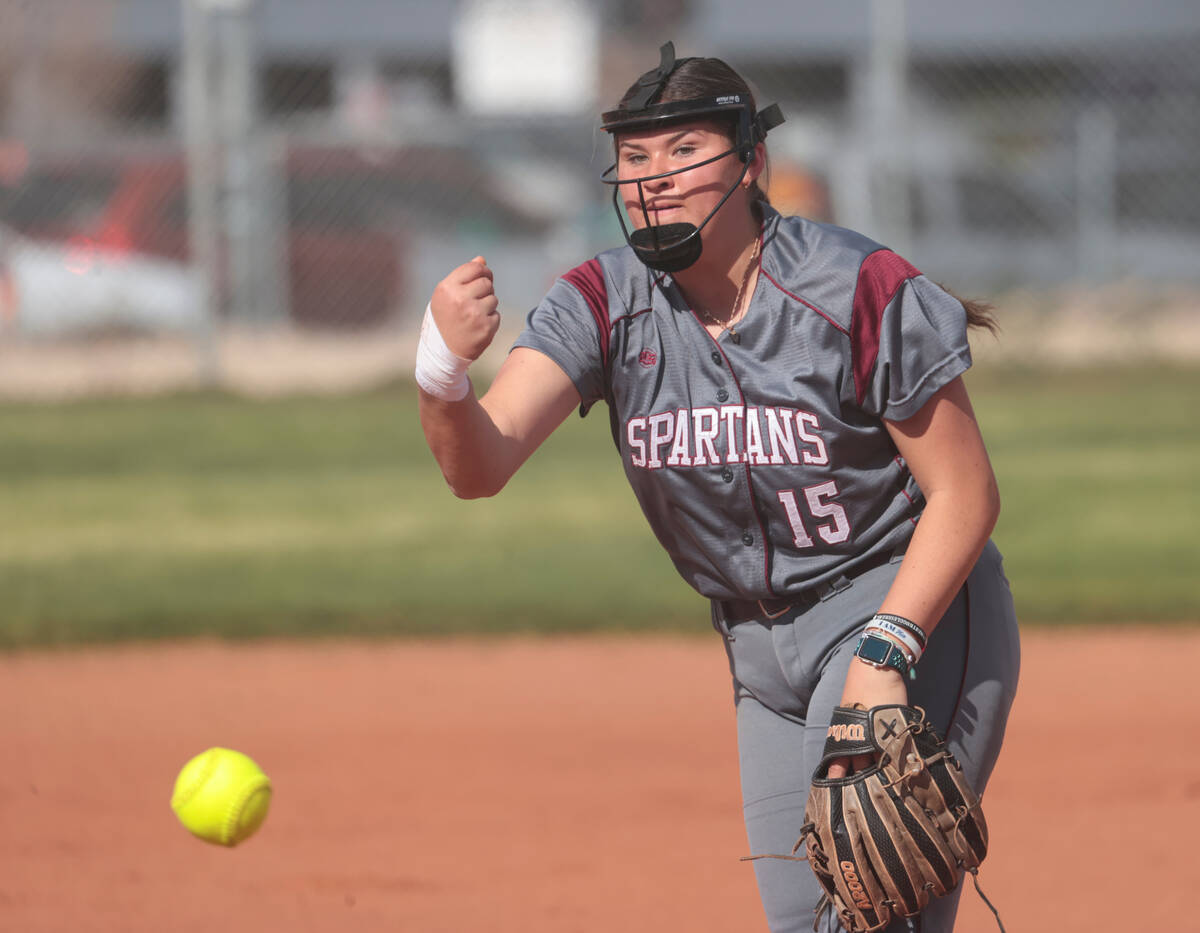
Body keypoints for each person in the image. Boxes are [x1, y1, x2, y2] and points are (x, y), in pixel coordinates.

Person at [416, 42, 1020, 933]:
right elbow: (482, 464)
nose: (654, 177)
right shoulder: (602, 301)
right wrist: (440, 370)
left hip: (901, 608)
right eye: (634, 157)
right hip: (759, 655)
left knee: (863, 916)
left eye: (683, 150)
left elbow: (965, 492)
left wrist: (883, 655)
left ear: (751, 164)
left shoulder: (853, 286)